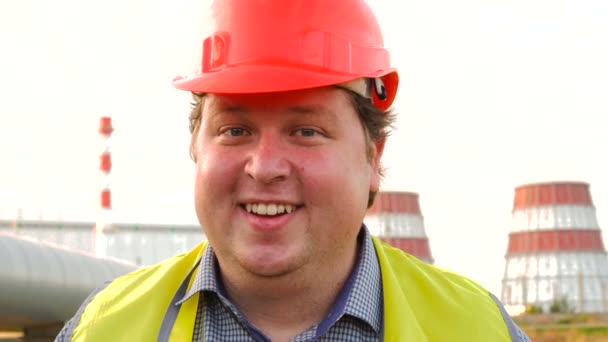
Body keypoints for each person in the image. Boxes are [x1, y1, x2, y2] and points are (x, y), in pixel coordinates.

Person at [56, 0, 531, 341]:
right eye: (234, 130)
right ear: (196, 148)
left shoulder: (478, 329)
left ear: (373, 157)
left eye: (306, 131)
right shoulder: (103, 328)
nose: (264, 168)